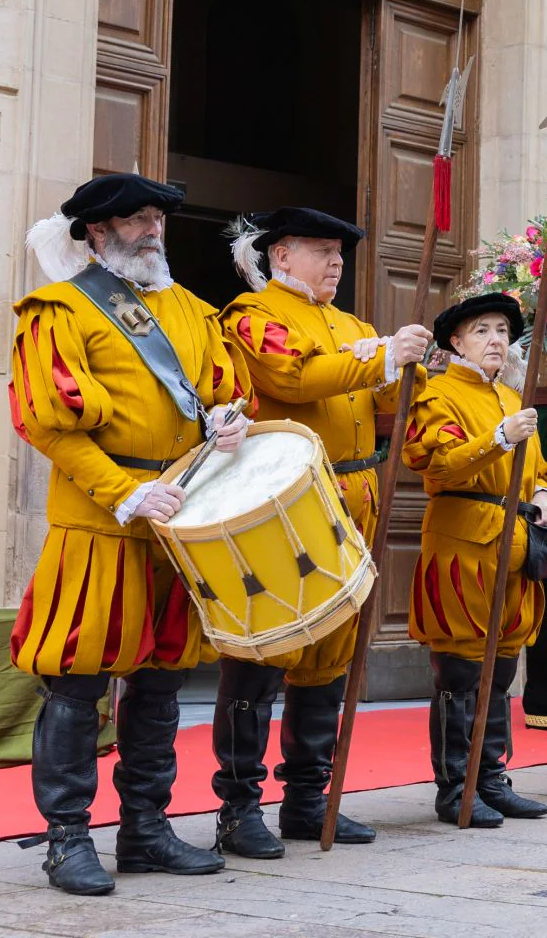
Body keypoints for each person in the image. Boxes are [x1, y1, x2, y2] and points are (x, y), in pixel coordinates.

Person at [8, 174, 252, 895]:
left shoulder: (195, 311)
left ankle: (145, 830)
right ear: (94, 233)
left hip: (176, 521)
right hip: (102, 522)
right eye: (134, 220)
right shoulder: (58, 310)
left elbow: (218, 392)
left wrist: (224, 421)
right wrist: (125, 492)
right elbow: (47, 423)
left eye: (157, 218)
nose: (152, 230)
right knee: (78, 689)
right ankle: (67, 839)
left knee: (160, 686)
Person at [206, 209, 421, 856]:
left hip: (356, 494)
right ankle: (239, 808)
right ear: (280, 257)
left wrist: (408, 367)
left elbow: (386, 407)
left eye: (340, 253)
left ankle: (308, 799)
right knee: (264, 653)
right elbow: (292, 376)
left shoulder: (353, 326)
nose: (336, 263)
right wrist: (377, 358)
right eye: (321, 251)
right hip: (290, 503)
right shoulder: (250, 314)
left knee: (331, 657)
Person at [401, 292, 547, 828]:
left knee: (503, 666)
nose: (496, 340)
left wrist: (546, 496)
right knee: (461, 672)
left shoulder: (515, 400)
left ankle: (491, 778)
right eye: (482, 331)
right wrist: (496, 439)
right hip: (462, 543)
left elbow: (541, 470)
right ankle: (454, 788)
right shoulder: (436, 393)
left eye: (501, 331)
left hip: (515, 545)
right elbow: (434, 463)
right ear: (456, 342)